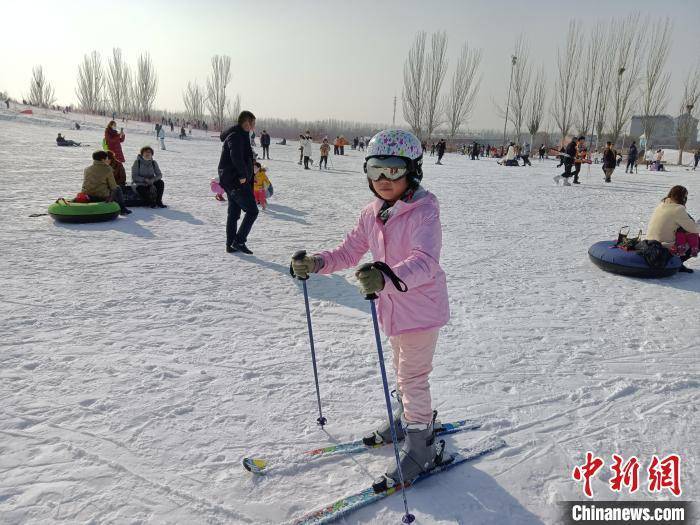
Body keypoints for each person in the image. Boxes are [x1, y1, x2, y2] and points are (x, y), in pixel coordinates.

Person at [290, 129, 449, 488]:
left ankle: (421, 447)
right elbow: (348, 252)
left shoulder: (425, 211)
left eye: (393, 170)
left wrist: (385, 276)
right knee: (400, 370)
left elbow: (425, 261)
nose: (382, 180)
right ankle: (403, 416)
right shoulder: (372, 213)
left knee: (412, 377)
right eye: (375, 169)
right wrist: (316, 263)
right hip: (392, 309)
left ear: (412, 170)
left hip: (421, 309)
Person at [218, 110, 258, 254]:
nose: (253, 126)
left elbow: (243, 155)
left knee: (233, 213)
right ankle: (239, 241)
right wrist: (242, 175)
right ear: (246, 122)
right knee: (253, 211)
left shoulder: (241, 134)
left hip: (231, 179)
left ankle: (230, 245)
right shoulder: (235, 136)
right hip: (235, 180)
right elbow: (236, 156)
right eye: (252, 123)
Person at [646, 186, 698, 273]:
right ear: (682, 197)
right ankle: (676, 262)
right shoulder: (678, 209)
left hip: (650, 242)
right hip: (664, 245)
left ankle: (676, 262)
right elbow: (694, 229)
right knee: (695, 239)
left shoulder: (662, 205)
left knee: (682, 233)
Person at [82, 150, 131, 215]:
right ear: (103, 159)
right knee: (117, 188)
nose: (107, 160)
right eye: (106, 158)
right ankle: (122, 209)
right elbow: (113, 186)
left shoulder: (87, 169)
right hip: (101, 196)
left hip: (87, 195)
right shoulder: (108, 169)